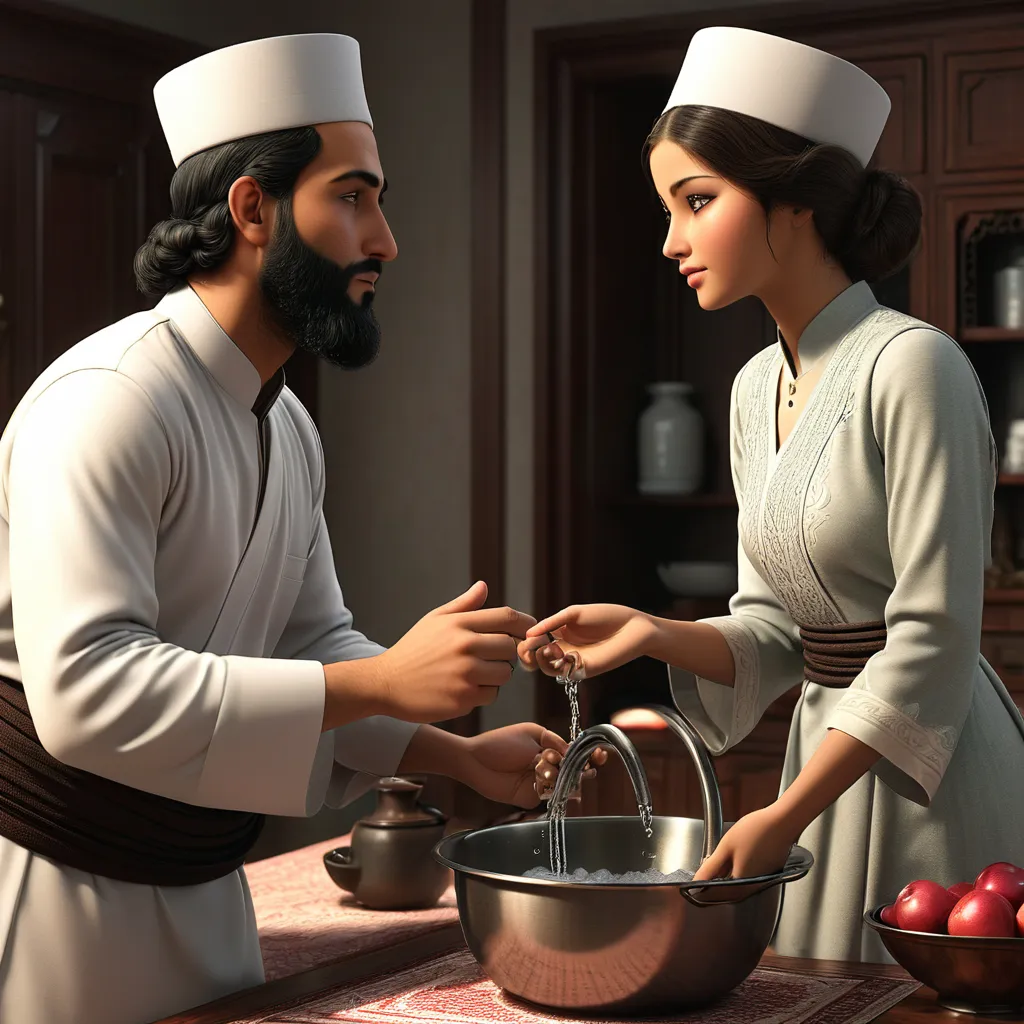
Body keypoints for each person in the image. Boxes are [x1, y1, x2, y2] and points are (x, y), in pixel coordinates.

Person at [0, 33, 568, 1024]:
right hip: (61, 886)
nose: (384, 238)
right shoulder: (109, 400)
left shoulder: (285, 420)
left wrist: (456, 755)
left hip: (204, 884)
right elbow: (86, 691)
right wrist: (385, 680)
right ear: (252, 209)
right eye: (352, 197)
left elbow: (310, 643)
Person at [523, 26, 1024, 963]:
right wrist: (651, 630)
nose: (672, 240)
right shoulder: (757, 387)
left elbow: (934, 638)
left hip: (932, 771)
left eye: (697, 201)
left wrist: (785, 812)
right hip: (822, 753)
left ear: (793, 201)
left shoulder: (916, 367)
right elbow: (774, 627)